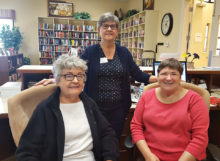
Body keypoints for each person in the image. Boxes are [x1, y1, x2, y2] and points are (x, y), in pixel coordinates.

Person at [35, 12, 157, 139]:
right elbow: (77, 69)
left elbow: (137, 73)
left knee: (114, 141)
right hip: (95, 107)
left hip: (119, 108)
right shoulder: (90, 51)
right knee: (95, 141)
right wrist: (57, 80)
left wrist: (159, 78)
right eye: (105, 26)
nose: (109, 29)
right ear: (99, 30)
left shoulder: (124, 52)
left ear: (117, 30)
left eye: (113, 26)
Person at [16, 55, 118, 161]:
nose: (75, 80)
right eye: (69, 76)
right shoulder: (45, 110)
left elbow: (107, 133)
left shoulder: (89, 104)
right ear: (58, 80)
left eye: (80, 76)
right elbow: (25, 153)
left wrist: (109, 158)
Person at [130, 58, 209, 161]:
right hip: (151, 156)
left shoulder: (195, 100)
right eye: (164, 74)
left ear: (181, 78)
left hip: (184, 157)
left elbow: (200, 138)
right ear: (157, 77)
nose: (168, 78)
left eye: (174, 74)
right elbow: (136, 127)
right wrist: (148, 156)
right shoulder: (146, 96)